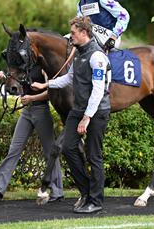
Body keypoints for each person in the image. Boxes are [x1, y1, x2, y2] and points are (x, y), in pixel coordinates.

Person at [32, 16, 111, 214]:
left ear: (84, 33)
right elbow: (69, 78)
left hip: (96, 112)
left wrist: (87, 117)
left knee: (94, 156)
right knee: (67, 148)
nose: (71, 36)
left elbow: (98, 90)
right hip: (79, 110)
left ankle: (96, 201)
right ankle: (86, 192)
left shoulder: (97, 57)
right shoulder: (79, 54)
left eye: (73, 33)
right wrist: (46, 84)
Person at [0, 66, 64, 202]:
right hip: (26, 112)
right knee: (14, 149)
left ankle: (57, 191)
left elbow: (52, 92)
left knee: (50, 152)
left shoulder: (42, 67)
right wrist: (5, 78)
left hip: (41, 111)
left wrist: (32, 98)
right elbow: (17, 88)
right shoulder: (22, 67)